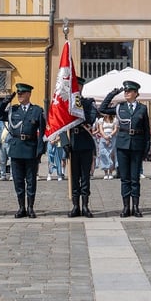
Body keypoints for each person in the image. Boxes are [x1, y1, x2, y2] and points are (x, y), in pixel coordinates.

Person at [0, 83, 46, 218]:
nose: (20, 95)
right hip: (16, 148)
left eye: (22, 93)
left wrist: (40, 151)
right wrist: (6, 101)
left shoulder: (37, 111)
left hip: (30, 149)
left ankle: (30, 207)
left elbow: (42, 133)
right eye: (18, 93)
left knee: (31, 180)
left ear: (29, 94)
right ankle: (21, 207)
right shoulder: (13, 110)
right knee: (18, 180)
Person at [99, 80, 150, 218]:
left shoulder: (142, 108)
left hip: (137, 145)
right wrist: (113, 94)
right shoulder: (119, 107)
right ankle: (126, 207)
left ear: (135, 93)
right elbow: (102, 109)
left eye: (129, 91)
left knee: (135, 178)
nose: (126, 93)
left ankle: (136, 207)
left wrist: (146, 148)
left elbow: (146, 130)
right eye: (125, 91)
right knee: (125, 178)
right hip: (123, 145)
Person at [66, 77, 98, 217]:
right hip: (71, 143)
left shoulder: (88, 102)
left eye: (78, 86)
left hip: (85, 143)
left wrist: (78, 105)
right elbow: (61, 125)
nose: (76, 89)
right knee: (74, 177)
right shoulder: (66, 104)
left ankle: (85, 205)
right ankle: (75, 206)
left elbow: (91, 119)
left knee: (85, 177)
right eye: (74, 86)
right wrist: (65, 142)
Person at [96, 113, 116, 179]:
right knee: (103, 154)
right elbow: (101, 129)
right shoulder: (101, 120)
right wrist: (105, 136)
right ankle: (105, 172)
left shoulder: (114, 119)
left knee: (111, 154)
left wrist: (109, 136)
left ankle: (110, 172)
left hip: (112, 136)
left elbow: (115, 129)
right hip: (103, 137)